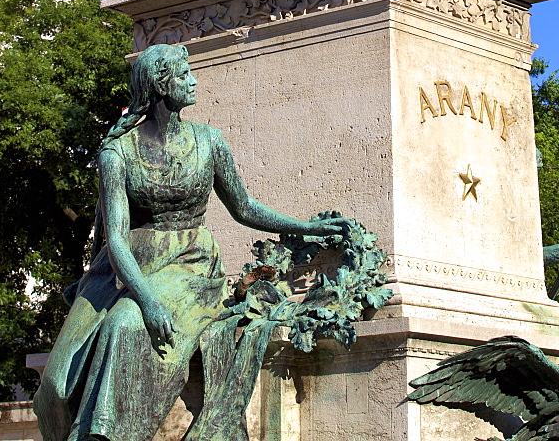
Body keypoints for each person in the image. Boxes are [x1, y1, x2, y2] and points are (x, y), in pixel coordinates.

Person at [33, 43, 347, 441]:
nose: (194, 81)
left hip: (189, 264)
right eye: (184, 75)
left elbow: (245, 208)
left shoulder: (209, 142)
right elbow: (115, 237)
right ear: (162, 86)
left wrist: (309, 228)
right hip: (123, 266)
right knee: (56, 388)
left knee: (125, 325)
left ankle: (108, 434)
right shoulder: (117, 153)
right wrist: (147, 297)